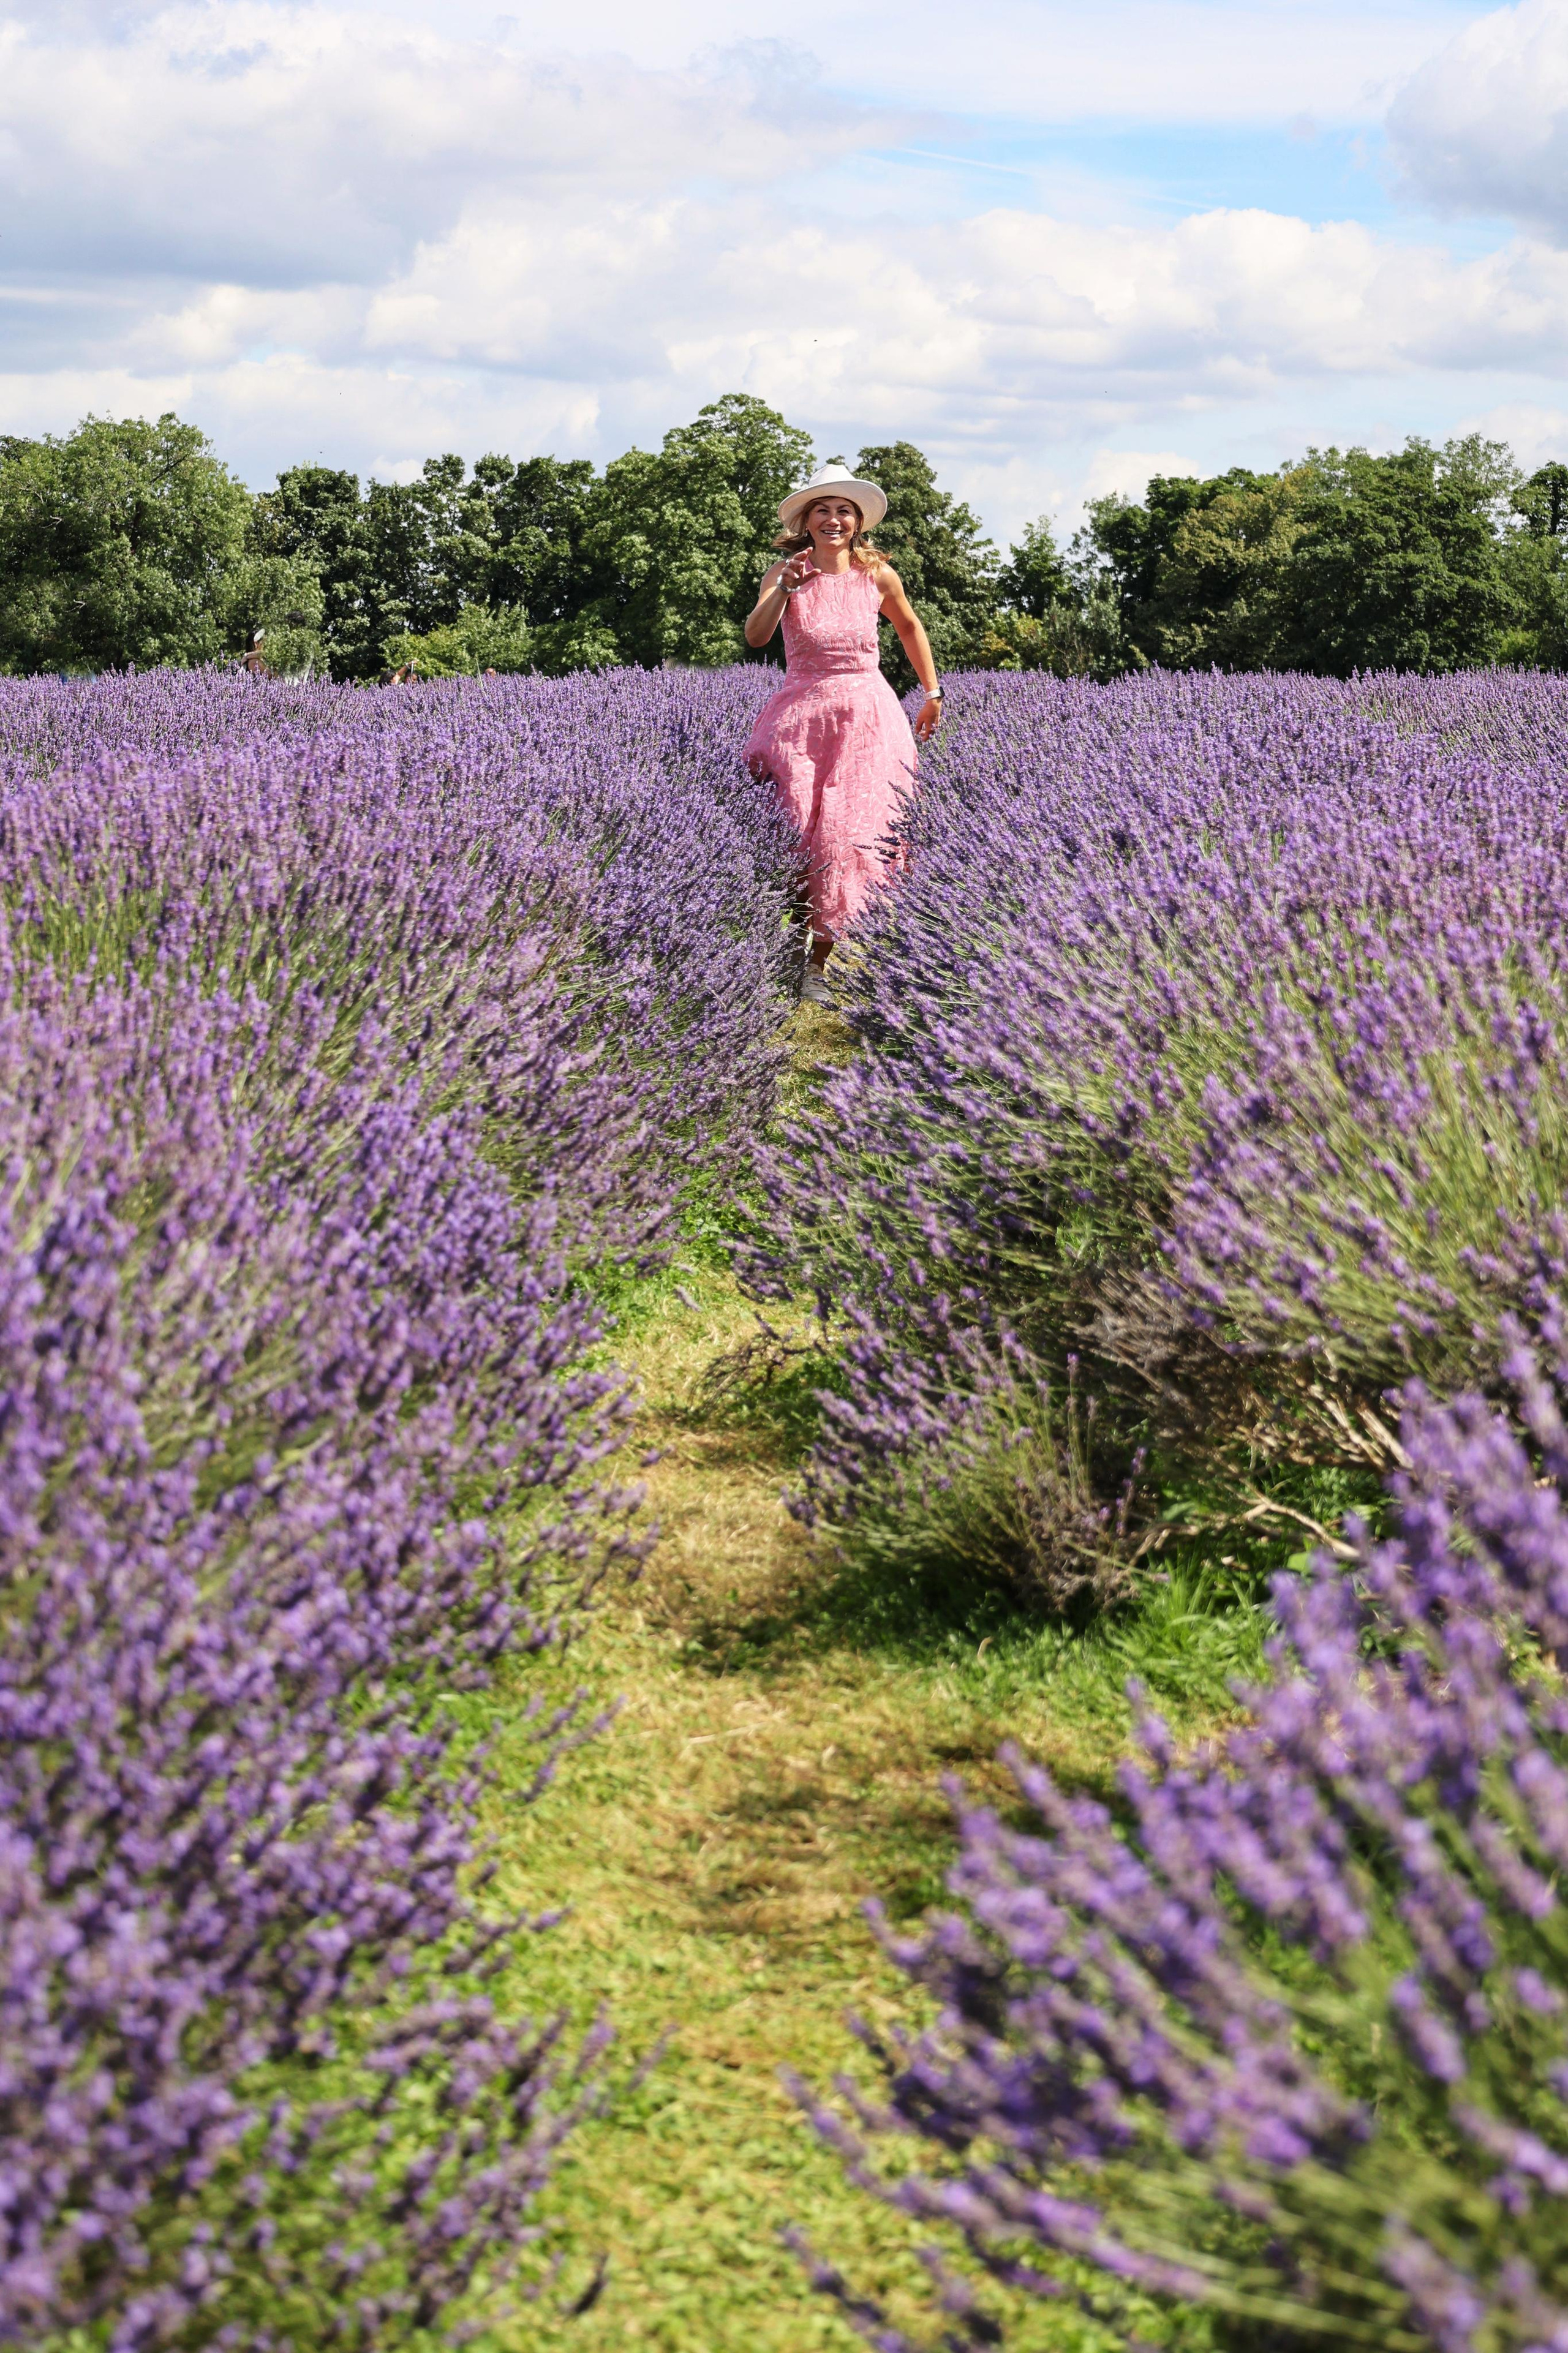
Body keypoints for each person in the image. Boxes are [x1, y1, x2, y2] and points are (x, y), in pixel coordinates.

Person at [744, 461, 942, 1005]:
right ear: (806, 521)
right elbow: (757, 638)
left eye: (844, 512)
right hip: (801, 717)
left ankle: (820, 964)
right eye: (824, 510)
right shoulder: (785, 573)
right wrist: (782, 590)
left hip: (868, 718)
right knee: (791, 830)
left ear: (858, 522)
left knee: (851, 833)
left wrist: (931, 692)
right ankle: (773, 947)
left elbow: (909, 625)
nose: (834, 519)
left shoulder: (876, 574)